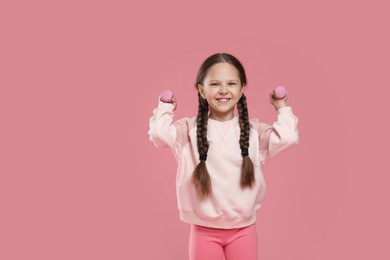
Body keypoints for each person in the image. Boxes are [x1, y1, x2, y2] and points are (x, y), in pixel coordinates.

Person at [148, 53, 299, 260]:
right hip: (203, 231)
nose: (223, 90)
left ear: (241, 89)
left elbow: (287, 137)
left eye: (231, 83)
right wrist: (165, 108)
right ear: (201, 90)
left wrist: (281, 107)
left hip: (243, 230)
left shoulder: (253, 131)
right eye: (215, 84)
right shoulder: (189, 129)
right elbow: (159, 134)